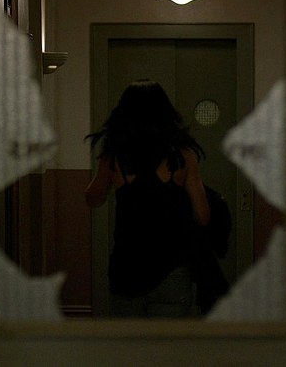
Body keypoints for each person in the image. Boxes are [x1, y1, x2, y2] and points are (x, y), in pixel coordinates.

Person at [85, 79, 211, 317]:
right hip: (172, 269)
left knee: (129, 341)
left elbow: (93, 199)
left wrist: (110, 174)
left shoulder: (115, 157)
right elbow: (203, 216)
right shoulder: (183, 157)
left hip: (127, 268)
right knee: (167, 342)